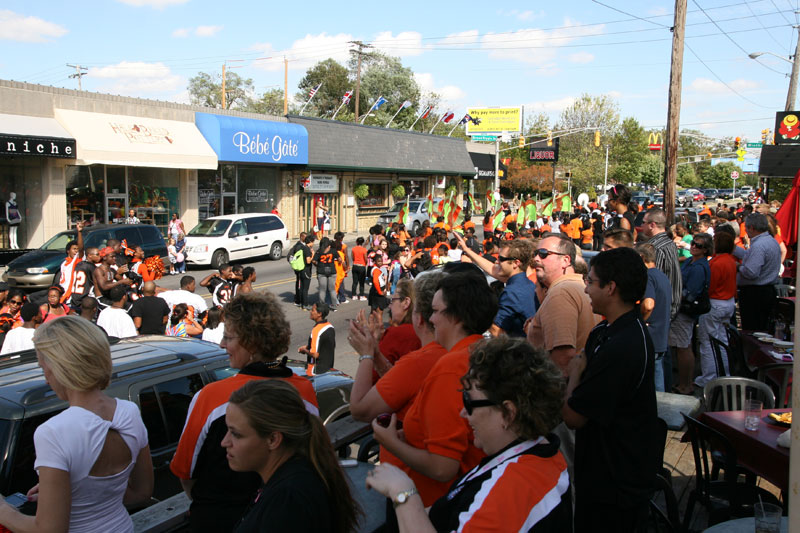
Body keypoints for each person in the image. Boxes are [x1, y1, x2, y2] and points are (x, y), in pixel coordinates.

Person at [366, 337, 572, 533]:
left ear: (509, 413)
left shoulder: (506, 491)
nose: (463, 413)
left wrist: (402, 491)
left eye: (469, 401)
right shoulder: (545, 452)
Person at [170, 291, 319, 533]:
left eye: (228, 338)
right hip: (287, 515)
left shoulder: (211, 397)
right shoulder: (304, 390)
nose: (222, 344)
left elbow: (185, 472)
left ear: (250, 343)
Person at [0, 316, 153, 532]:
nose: (46, 379)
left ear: (61, 367)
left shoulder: (53, 432)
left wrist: (4, 510)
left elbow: (49, 530)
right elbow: (142, 493)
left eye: (43, 368)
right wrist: (69, 492)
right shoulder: (130, 412)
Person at [371, 272, 498, 512]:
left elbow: (443, 467)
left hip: (435, 505)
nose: (431, 318)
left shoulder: (450, 367)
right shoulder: (481, 350)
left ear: (456, 317)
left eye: (436, 311)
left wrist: (390, 442)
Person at [563, 247, 657, 532]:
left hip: (614, 483)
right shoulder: (607, 332)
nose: (586, 289)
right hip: (602, 474)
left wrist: (575, 374)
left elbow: (574, 417)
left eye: (590, 281)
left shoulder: (622, 345)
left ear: (611, 288)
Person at [223, 380, 361, 533]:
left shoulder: (289, 500)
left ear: (273, 440)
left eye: (236, 434)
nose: (224, 442)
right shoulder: (293, 479)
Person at [526, 235, 597, 374]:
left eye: (544, 254)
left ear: (565, 260)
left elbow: (563, 359)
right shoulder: (578, 286)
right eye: (536, 253)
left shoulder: (561, 293)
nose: (536, 259)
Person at [455, 234, 536, 338]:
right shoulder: (529, 284)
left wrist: (475, 307)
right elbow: (492, 269)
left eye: (501, 259)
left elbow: (497, 331)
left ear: (516, 263)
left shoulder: (512, 292)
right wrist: (467, 250)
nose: (497, 262)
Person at [670, 233, 712, 395]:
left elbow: (691, 293)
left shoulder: (699, 267)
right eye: (693, 243)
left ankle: (686, 385)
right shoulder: (690, 261)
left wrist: (673, 294)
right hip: (680, 308)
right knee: (682, 346)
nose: (694, 246)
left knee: (684, 347)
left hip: (685, 310)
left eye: (699, 245)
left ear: (706, 250)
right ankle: (684, 383)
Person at [696, 232, 737, 387]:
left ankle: (709, 378)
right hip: (728, 303)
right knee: (722, 340)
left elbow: (710, 286)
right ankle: (724, 374)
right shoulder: (730, 260)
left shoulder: (716, 263)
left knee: (707, 342)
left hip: (715, 303)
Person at [635, 243, 672, 392]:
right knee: (657, 376)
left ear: (642, 257)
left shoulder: (649, 276)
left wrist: (641, 321)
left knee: (651, 380)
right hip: (661, 335)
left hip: (651, 335)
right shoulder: (662, 277)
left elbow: (648, 304)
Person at [735, 213, 781, 331]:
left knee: (753, 330)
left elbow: (751, 272)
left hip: (755, 294)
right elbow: (751, 256)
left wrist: (738, 266)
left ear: (752, 228)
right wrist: (734, 249)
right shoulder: (771, 241)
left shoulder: (759, 245)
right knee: (762, 328)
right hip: (765, 291)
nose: (745, 231)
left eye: (746, 228)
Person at [640, 208, 682, 320]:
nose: (641, 225)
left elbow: (653, 281)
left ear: (652, 225)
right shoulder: (669, 243)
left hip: (658, 311)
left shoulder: (654, 247)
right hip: (670, 306)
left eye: (643, 222)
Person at [298, 303, 335, 376]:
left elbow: (315, 354)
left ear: (319, 314)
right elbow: (322, 346)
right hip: (328, 369)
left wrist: (304, 350)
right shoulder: (330, 327)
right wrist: (307, 347)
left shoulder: (316, 330)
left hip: (315, 371)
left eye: (312, 310)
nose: (310, 312)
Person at [57, 221, 84, 303]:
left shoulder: (76, 260)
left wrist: (79, 232)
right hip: (62, 293)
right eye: (74, 249)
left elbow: (81, 249)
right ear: (68, 251)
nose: (76, 251)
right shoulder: (64, 264)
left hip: (71, 296)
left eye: (77, 249)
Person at [313, 237, 339, 310]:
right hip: (332, 271)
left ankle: (322, 306)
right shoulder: (333, 251)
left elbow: (314, 261)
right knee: (332, 289)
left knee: (322, 290)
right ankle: (334, 305)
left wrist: (318, 265)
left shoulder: (319, 251)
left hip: (321, 271)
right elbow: (339, 259)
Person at [350, 236, 368, 301]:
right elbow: (365, 258)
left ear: (356, 242)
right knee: (361, 282)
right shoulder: (364, 250)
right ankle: (361, 295)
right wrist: (365, 263)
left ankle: (353, 295)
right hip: (362, 266)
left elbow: (352, 257)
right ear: (362, 242)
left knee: (355, 282)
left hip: (355, 265)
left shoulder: (353, 249)